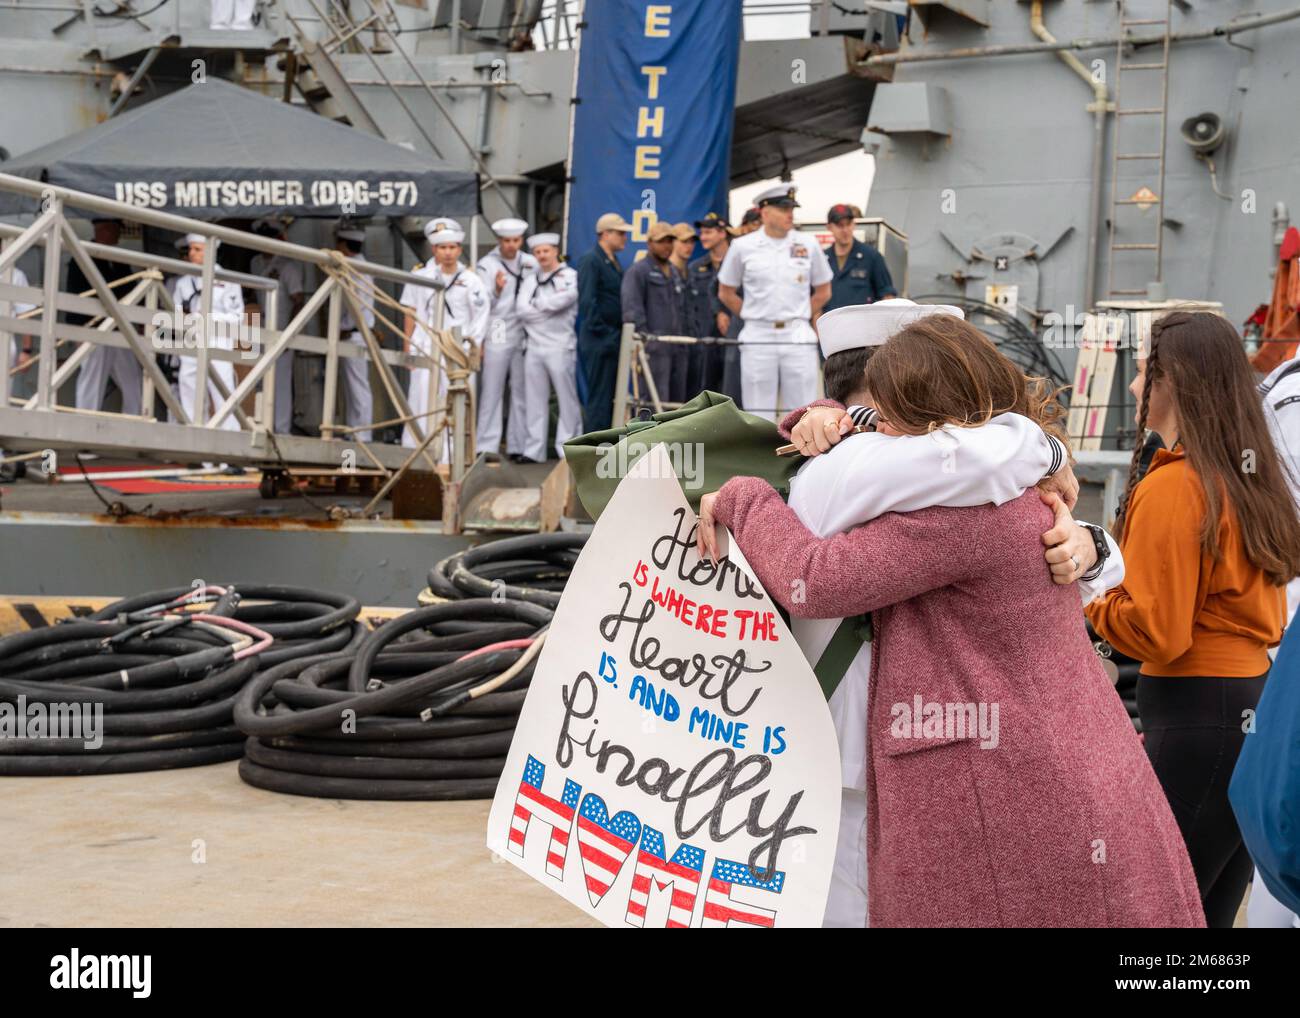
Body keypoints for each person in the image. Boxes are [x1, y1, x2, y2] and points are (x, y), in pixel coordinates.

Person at [700, 310, 1203, 928]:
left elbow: (817, 579)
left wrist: (741, 494)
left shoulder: (938, 489)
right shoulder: (1017, 486)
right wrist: (1071, 495)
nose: (880, 427)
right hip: (1073, 757)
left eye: (891, 414)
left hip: (939, 768)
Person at [1087, 311, 1300, 928]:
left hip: (1194, 718)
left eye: (1143, 374)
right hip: (1248, 710)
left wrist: (1090, 597)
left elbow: (1160, 633)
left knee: (1158, 916)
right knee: (1209, 914)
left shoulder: (1175, 486)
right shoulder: (1246, 478)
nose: (1132, 388)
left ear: (1171, 380)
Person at [717, 184, 831, 421]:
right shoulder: (742, 246)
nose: (790, 213)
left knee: (802, 410)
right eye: (783, 208)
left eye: (791, 207)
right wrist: (751, 314)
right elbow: (726, 291)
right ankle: (762, 457)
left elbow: (824, 290)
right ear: (764, 212)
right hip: (758, 334)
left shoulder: (808, 245)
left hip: (796, 333)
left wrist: (798, 315)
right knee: (759, 411)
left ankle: (801, 458)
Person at [399, 219, 490, 456]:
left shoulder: (472, 280)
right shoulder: (421, 275)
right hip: (426, 343)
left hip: (455, 347)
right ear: (434, 250)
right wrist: (407, 344)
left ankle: (454, 452)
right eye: (442, 248)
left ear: (459, 250)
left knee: (456, 397)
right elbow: (411, 311)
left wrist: (474, 345)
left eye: (452, 248)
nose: (448, 253)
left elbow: (480, 315)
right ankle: (415, 446)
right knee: (420, 396)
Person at [475, 217, 536, 462]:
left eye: (515, 240)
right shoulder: (487, 265)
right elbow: (481, 303)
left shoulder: (530, 263)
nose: (511, 245)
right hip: (498, 325)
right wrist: (497, 290)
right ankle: (486, 444)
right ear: (499, 241)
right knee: (493, 388)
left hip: (523, 328)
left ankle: (518, 445)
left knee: (521, 390)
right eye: (506, 241)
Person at [516, 233, 580, 463]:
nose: (542, 255)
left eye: (546, 251)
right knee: (535, 399)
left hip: (560, 345)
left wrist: (538, 307)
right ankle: (534, 450)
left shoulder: (569, 276)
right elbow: (521, 309)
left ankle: (567, 448)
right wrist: (545, 309)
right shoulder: (530, 280)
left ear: (555, 251)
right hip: (533, 347)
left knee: (566, 399)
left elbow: (566, 299)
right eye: (538, 252)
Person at [69, 217, 142, 417]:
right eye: (116, 230)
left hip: (119, 330)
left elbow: (132, 291)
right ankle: (84, 430)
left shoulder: (118, 260)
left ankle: (134, 427)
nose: (118, 235)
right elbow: (80, 293)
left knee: (133, 380)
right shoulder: (83, 256)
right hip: (93, 329)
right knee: (92, 380)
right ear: (104, 230)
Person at [169, 234, 242, 431]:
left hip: (218, 344)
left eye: (197, 249)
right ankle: (196, 451)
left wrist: (208, 318)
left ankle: (230, 452)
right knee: (190, 395)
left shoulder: (228, 280)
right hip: (191, 344)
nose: (191, 253)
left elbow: (237, 318)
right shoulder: (183, 283)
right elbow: (175, 315)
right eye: (191, 249)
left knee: (224, 397)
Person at [621, 220, 688, 405]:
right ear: (649, 243)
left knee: (676, 406)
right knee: (651, 404)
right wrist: (646, 344)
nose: (667, 246)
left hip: (678, 347)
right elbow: (631, 311)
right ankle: (647, 435)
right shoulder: (638, 271)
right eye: (661, 241)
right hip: (653, 349)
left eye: (670, 241)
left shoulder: (674, 271)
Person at [249, 216, 305, 434]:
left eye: (269, 238)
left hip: (281, 329)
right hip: (260, 327)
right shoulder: (255, 263)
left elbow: (298, 301)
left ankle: (281, 429)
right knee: (259, 378)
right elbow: (254, 294)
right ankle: (263, 425)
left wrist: (290, 333)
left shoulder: (288, 267)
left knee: (280, 381)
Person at [576, 212, 630, 432]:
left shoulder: (612, 261)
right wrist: (607, 334)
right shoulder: (591, 260)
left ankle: (605, 447)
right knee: (600, 399)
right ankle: (594, 452)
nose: (624, 237)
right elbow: (587, 302)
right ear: (605, 234)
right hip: (601, 341)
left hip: (611, 339)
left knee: (610, 399)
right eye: (620, 233)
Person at [684, 212, 739, 399]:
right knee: (704, 393)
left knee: (733, 393)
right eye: (702, 232)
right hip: (705, 341)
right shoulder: (695, 267)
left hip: (734, 337)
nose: (703, 237)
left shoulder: (740, 262)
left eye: (708, 232)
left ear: (722, 233)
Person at [333, 223, 375, 443]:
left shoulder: (356, 269)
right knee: (352, 387)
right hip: (352, 333)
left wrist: (344, 327)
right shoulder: (356, 266)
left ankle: (362, 433)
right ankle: (354, 430)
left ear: (343, 244)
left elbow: (354, 305)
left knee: (358, 386)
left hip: (355, 333)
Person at [0, 260, 36, 480]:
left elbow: (25, 314)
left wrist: (26, 349)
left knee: (1, 401)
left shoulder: (15, 272)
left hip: (3, 341)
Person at [823, 203, 896, 312]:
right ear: (829, 227)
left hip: (863, 326)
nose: (845, 230)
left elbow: (887, 297)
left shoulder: (872, 257)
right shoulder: (823, 259)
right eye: (840, 225)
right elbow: (816, 298)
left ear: (854, 224)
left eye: (848, 224)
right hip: (830, 326)